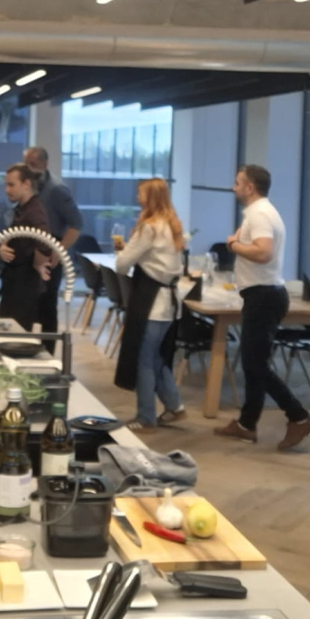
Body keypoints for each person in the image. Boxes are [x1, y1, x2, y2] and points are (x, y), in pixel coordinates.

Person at [213, 164, 310, 450]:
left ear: (250, 187)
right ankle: (247, 424)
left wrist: (232, 245)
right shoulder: (261, 212)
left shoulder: (259, 214)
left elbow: (263, 252)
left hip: (263, 296)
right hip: (262, 295)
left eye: (237, 183)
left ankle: (299, 416)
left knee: (256, 364)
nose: (234, 188)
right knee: (252, 363)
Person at [112, 178, 188, 434]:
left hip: (151, 304)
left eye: (141, 194)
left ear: (151, 197)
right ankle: (175, 406)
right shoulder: (172, 225)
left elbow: (122, 265)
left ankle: (146, 417)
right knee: (155, 357)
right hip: (169, 305)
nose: (137, 198)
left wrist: (124, 252)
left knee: (143, 359)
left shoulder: (149, 228)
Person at [25, 146, 83, 340]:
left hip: (51, 249)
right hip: (31, 247)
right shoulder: (30, 187)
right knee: (28, 305)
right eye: (26, 164)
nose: (29, 169)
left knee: (47, 305)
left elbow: (76, 224)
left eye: (33, 164)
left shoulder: (57, 190)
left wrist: (58, 251)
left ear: (45, 164)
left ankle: (48, 349)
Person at [0, 164, 54, 330]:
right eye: (6, 185)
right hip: (16, 283)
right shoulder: (23, 209)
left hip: (24, 286)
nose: (7, 190)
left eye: (11, 185)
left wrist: (38, 264)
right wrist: (2, 247)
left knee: (15, 335)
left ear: (26, 184)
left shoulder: (35, 211)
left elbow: (45, 245)